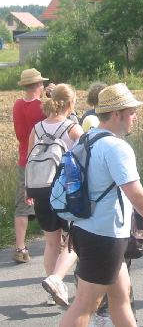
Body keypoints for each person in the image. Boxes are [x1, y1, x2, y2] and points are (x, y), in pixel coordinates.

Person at [59, 83, 143, 327]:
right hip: (105, 236)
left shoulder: (87, 139)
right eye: (131, 112)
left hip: (85, 229)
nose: (135, 117)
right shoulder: (117, 147)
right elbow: (136, 195)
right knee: (85, 305)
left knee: (120, 296)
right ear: (116, 114)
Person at [29, 84, 83, 306]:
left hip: (41, 191)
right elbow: (84, 162)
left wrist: (27, 190)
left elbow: (29, 161)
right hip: (66, 194)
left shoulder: (37, 128)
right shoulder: (73, 129)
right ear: (70, 104)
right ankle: (56, 279)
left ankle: (53, 291)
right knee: (75, 241)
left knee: (51, 243)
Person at [12, 68, 53, 264]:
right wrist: (51, 97)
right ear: (38, 85)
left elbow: (20, 134)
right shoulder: (44, 106)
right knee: (50, 199)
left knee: (22, 204)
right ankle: (57, 241)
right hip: (45, 160)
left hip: (25, 160)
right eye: (42, 83)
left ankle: (20, 248)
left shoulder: (17, 105)